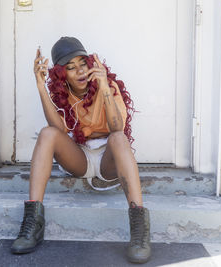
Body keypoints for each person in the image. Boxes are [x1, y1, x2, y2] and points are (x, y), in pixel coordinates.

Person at [10, 36, 151, 264]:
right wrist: (40, 86)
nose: (79, 72)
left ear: (90, 64)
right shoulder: (63, 93)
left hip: (109, 159)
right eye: (70, 67)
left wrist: (104, 86)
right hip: (82, 158)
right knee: (47, 133)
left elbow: (117, 127)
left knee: (118, 139)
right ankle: (32, 225)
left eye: (82, 64)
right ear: (61, 74)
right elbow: (58, 131)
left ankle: (139, 231)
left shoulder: (107, 85)